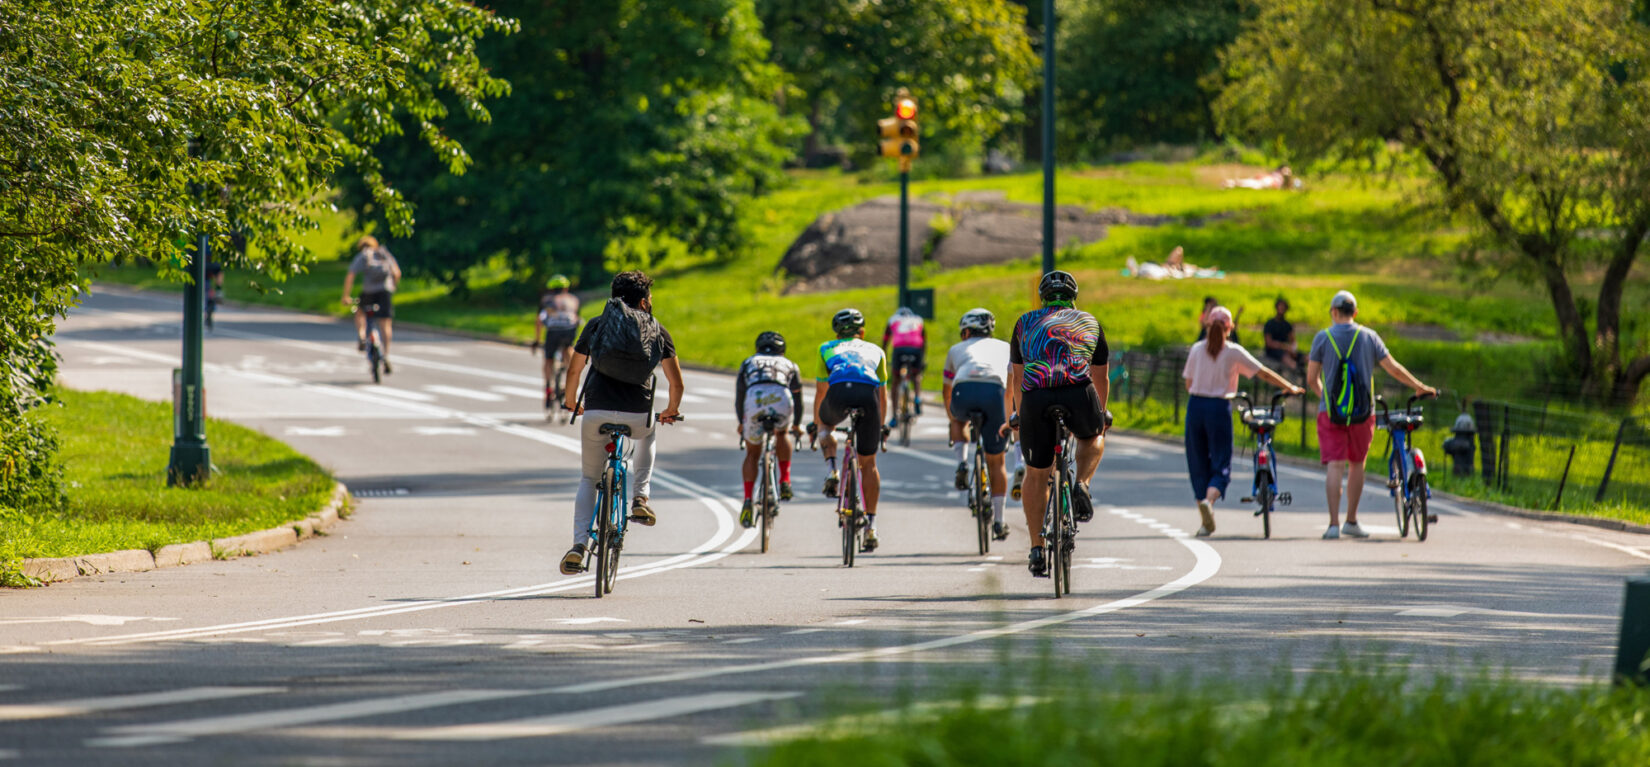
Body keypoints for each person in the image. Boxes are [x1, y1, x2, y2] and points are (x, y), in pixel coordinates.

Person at [558, 271, 685, 574]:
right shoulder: (658, 329)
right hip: (637, 413)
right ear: (644, 300)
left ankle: (579, 545)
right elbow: (676, 383)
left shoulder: (597, 324)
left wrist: (571, 401)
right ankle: (640, 496)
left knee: (589, 478)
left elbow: (574, 371)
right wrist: (670, 409)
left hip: (596, 411)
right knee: (649, 431)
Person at [1306, 290, 1435, 540]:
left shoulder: (1322, 338)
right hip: (1364, 414)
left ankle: (1333, 525)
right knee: (1357, 464)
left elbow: (1312, 378)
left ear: (1333, 312)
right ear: (1355, 313)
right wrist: (1419, 386)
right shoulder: (1369, 337)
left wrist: (1326, 399)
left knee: (1335, 465)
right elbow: (1393, 368)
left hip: (1330, 414)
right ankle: (1351, 520)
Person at [1008, 271, 1110, 578]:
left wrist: (1018, 414)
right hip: (1078, 392)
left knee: (1037, 473)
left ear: (1042, 298)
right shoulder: (1089, 321)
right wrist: (1101, 414)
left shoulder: (1024, 323)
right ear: (1074, 297)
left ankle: (1036, 548)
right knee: (1092, 438)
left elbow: (1017, 376)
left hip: (1036, 397)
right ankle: (1081, 484)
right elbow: (1100, 376)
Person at [1182, 307, 1305, 537]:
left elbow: (1189, 384)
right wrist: (1289, 387)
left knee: (1197, 460)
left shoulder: (1197, 350)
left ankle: (1204, 517)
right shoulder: (1232, 351)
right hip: (1219, 407)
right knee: (1221, 461)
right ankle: (1209, 501)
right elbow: (1263, 372)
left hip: (1196, 407)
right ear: (1230, 328)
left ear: (1208, 325)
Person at [813, 307, 890, 552]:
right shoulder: (876, 350)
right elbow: (883, 394)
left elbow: (821, 391)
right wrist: (881, 426)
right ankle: (871, 526)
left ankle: (832, 469)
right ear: (862, 332)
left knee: (826, 425)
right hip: (868, 397)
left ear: (837, 334)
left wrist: (818, 425)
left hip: (838, 393)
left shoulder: (826, 348)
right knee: (869, 463)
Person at [943, 307, 1015, 542]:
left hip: (963, 390)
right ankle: (999, 521)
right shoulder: (1005, 347)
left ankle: (962, 463)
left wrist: (953, 417)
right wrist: (1008, 418)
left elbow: (946, 388)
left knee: (958, 420)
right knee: (997, 462)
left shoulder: (955, 349)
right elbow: (1013, 383)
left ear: (965, 332)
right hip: (995, 392)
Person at [735, 331, 804, 528]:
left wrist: (741, 421)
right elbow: (797, 397)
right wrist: (797, 424)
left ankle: (748, 499)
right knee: (782, 433)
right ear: (782, 350)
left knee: (752, 454)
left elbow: (740, 395)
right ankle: (785, 480)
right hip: (781, 398)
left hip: (754, 399)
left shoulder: (748, 362)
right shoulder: (789, 364)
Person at [340, 235, 402, 372]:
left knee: (359, 312)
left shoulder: (363, 255)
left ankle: (362, 336)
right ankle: (386, 355)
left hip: (369, 292)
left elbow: (350, 275)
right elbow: (397, 273)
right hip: (385, 292)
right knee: (385, 323)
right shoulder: (384, 254)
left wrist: (346, 296)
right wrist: (393, 287)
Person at [531, 274, 582, 408]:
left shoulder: (547, 300)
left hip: (553, 331)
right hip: (569, 330)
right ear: (566, 288)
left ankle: (548, 387)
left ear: (551, 289)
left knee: (548, 359)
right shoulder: (574, 300)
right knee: (568, 348)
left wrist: (537, 340)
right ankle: (569, 379)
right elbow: (577, 320)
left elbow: (539, 320)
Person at [882, 306, 927, 429]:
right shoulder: (918, 320)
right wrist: (923, 359)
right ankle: (917, 398)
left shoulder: (893, 320)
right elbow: (924, 341)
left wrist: (884, 358)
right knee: (916, 375)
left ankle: (895, 416)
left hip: (899, 349)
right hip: (916, 349)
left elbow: (885, 340)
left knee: (895, 382)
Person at [1262, 297, 1301, 373]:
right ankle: (1295, 373)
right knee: (1287, 359)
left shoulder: (1287, 325)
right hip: (1273, 351)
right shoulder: (1270, 324)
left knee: (1304, 356)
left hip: (1286, 350)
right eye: (1280, 306)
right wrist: (1284, 346)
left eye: (1284, 307)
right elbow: (1269, 343)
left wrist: (1292, 349)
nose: (1282, 309)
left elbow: (1293, 340)